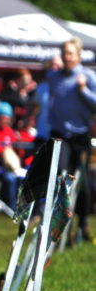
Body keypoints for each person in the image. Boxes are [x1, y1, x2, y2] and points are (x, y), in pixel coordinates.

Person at [46, 37, 96, 242]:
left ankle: (83, 221)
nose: (67, 57)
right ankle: (59, 221)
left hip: (81, 135)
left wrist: (83, 91)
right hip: (60, 134)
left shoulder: (88, 76)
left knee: (81, 182)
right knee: (60, 176)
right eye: (64, 53)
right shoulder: (54, 77)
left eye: (70, 54)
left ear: (78, 56)